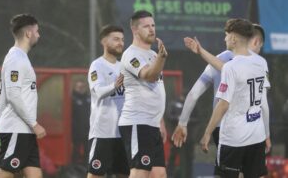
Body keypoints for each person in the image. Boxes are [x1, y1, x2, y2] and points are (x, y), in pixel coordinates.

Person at [172, 23, 271, 154]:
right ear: (256, 42)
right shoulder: (260, 65)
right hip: (252, 129)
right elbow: (263, 104)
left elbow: (193, 94)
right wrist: (267, 134)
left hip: (225, 129)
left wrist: (183, 123)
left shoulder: (221, 59)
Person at [195, 18, 269, 177]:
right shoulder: (261, 63)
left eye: (227, 35)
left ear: (234, 39)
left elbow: (223, 105)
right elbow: (263, 103)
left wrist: (207, 133)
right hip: (256, 136)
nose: (225, 38)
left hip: (233, 139)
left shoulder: (231, 67)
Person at [0, 14, 46, 178]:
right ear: (28, 33)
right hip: (17, 128)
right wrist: (34, 124)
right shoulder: (15, 58)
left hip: (25, 130)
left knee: (34, 174)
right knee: (5, 171)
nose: (39, 35)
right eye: (37, 31)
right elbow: (13, 95)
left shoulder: (22, 58)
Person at [118, 10, 168, 178]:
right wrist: (161, 59)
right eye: (146, 26)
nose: (151, 29)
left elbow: (157, 90)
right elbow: (149, 76)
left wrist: (160, 121)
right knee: (140, 172)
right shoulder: (131, 54)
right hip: (137, 122)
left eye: (153, 25)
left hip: (151, 123)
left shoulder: (153, 54)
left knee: (159, 173)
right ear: (135, 30)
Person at [87, 25, 129, 178]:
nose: (120, 43)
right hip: (103, 132)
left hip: (123, 132)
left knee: (124, 174)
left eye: (122, 40)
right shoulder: (97, 65)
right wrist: (114, 85)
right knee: (96, 174)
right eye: (116, 39)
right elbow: (97, 92)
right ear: (104, 41)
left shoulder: (124, 67)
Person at [71, 80, 90, 165]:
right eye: (79, 87)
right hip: (76, 129)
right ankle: (74, 166)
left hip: (88, 129)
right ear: (75, 88)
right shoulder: (72, 99)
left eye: (82, 87)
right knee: (76, 148)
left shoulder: (89, 98)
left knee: (88, 148)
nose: (81, 89)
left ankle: (86, 165)